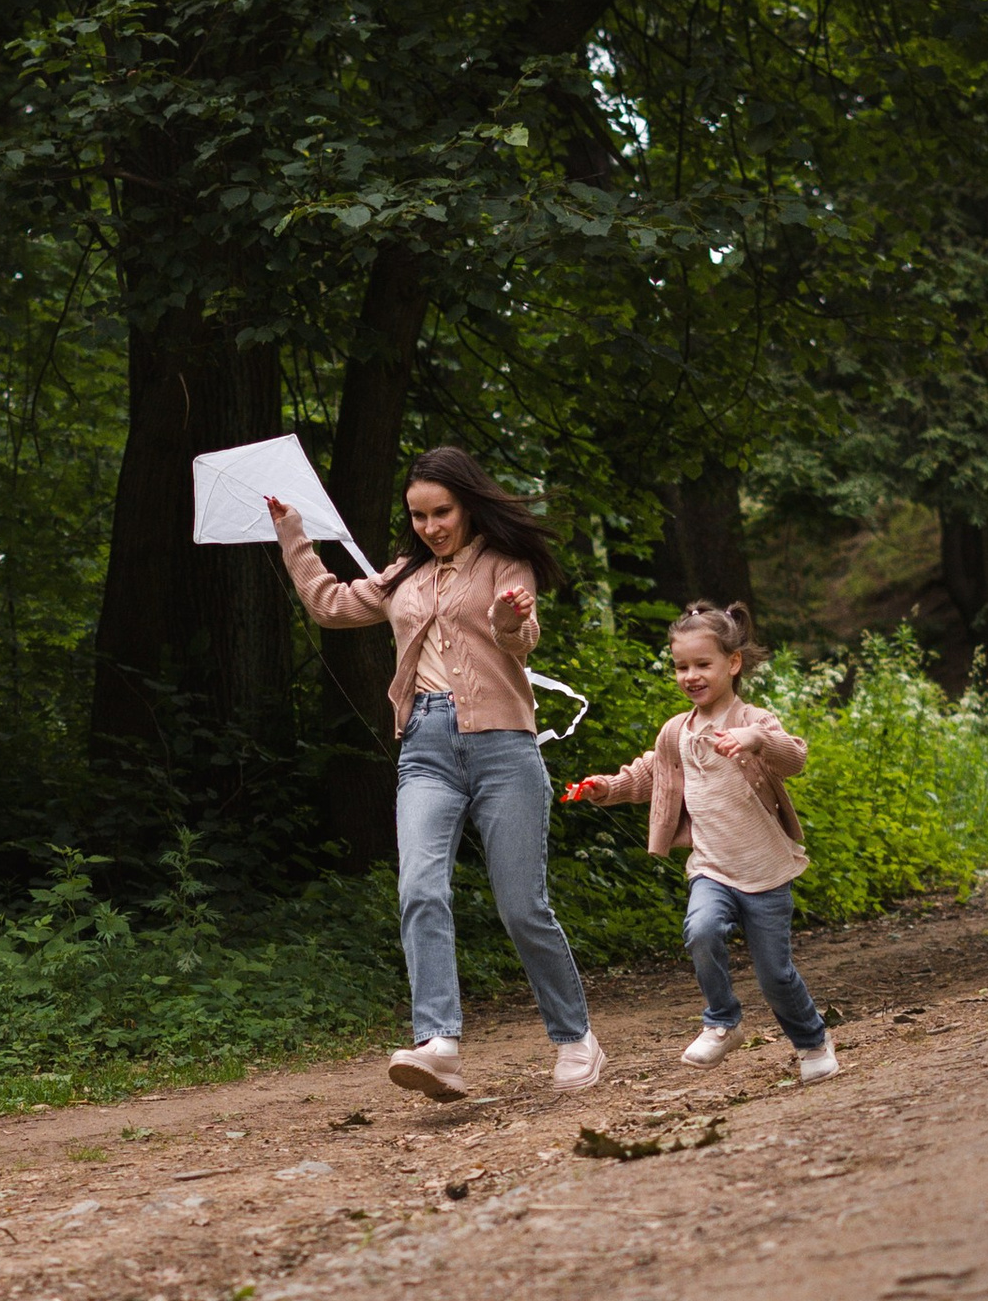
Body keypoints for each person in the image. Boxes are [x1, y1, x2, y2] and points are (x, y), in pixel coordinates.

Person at [267, 446, 608, 1102]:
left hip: (504, 747)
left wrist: (510, 619)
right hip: (425, 745)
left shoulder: (506, 565)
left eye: (441, 513)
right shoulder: (403, 577)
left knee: (522, 907)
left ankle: (574, 1039)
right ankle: (439, 1044)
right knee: (420, 888)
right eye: (418, 516)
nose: (429, 526)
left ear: (469, 504)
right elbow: (330, 605)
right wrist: (292, 533)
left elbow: (520, 638)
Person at [564, 600, 837, 1081]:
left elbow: (794, 758)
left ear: (732, 664)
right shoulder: (677, 732)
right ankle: (723, 1021)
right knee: (701, 930)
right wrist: (607, 787)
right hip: (711, 867)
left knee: (775, 976)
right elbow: (650, 775)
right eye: (681, 666)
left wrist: (756, 740)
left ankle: (812, 1041)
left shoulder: (755, 720)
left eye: (702, 664)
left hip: (767, 872)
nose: (690, 675)